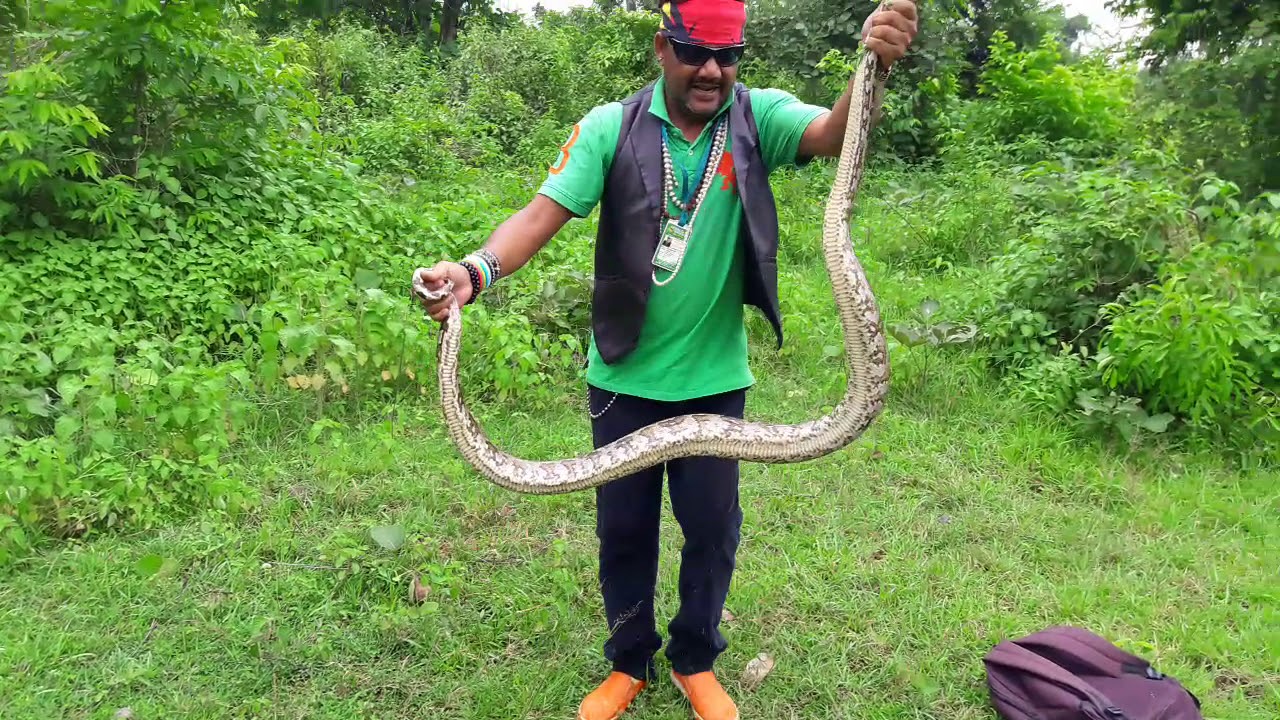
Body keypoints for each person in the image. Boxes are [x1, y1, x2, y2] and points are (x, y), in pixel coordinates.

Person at [414, 1, 917, 717]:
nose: (712, 69)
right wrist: (473, 273)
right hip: (623, 378)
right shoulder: (608, 128)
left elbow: (833, 133)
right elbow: (536, 217)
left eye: (727, 54)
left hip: (715, 384)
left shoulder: (755, 116)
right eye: (694, 51)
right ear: (662, 47)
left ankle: (695, 659)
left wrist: (874, 64)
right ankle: (628, 663)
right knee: (624, 531)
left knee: (712, 529)